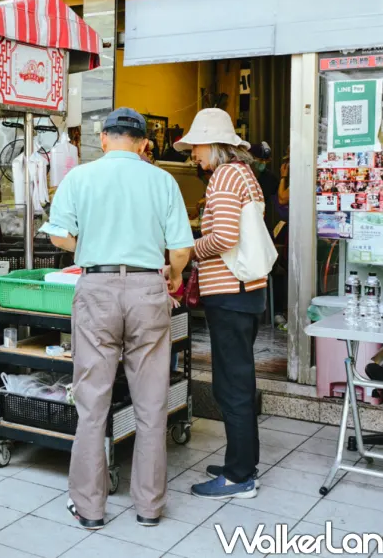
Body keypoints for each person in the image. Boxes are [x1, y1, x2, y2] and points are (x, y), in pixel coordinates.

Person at [42, 108, 194, 529]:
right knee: (151, 404)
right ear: (144, 143)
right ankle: (149, 507)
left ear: (104, 138)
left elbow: (57, 233)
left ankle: (90, 509)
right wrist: (175, 276)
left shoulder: (80, 177)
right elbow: (180, 248)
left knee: (92, 404)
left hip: (98, 288)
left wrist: (88, 244)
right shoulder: (162, 180)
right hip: (148, 289)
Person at [173, 108, 268, 500]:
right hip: (245, 290)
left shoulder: (226, 176)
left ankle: (238, 477)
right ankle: (242, 463)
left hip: (230, 292)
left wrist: (188, 251)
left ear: (214, 144)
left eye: (196, 146)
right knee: (239, 380)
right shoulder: (244, 174)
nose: (193, 153)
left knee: (232, 385)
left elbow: (225, 237)